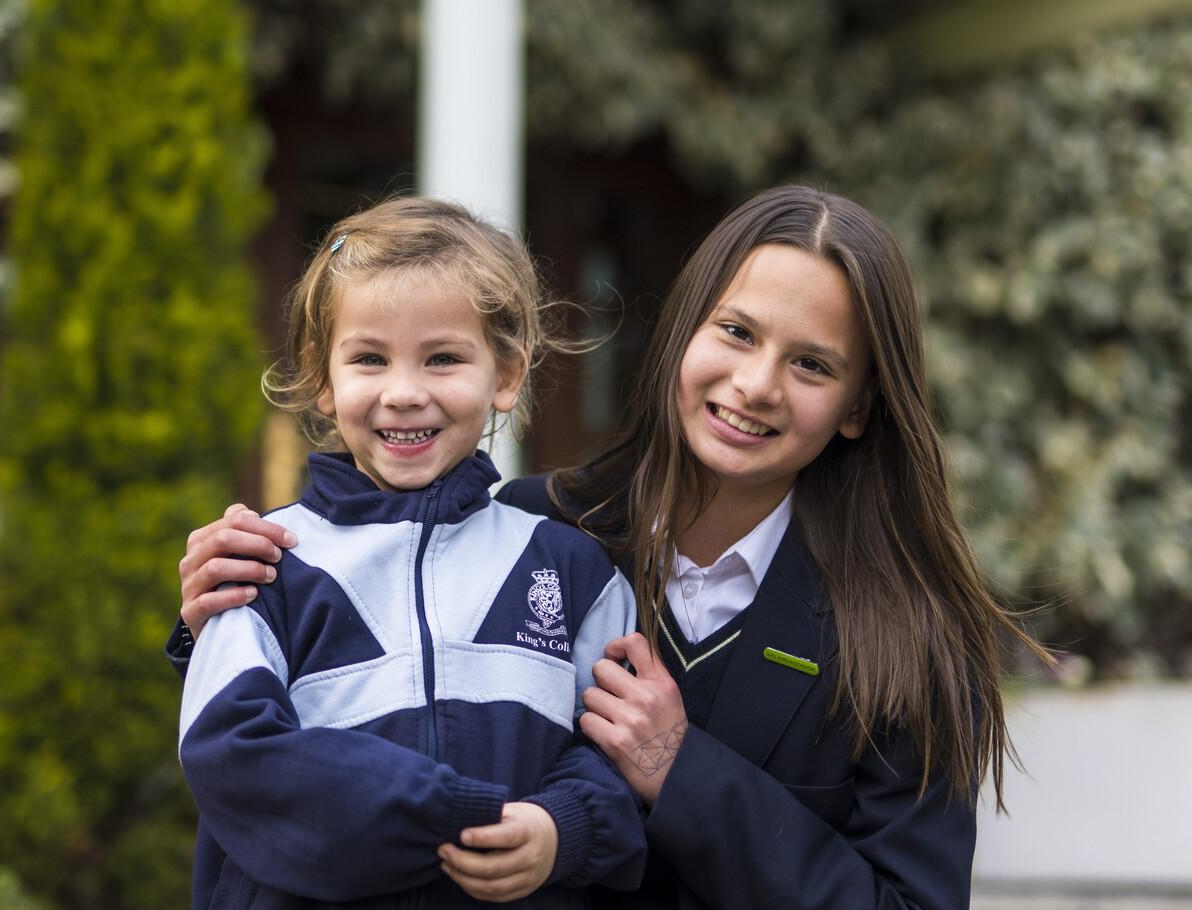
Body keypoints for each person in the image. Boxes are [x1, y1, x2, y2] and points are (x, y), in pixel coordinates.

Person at [173, 185, 1046, 910]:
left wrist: (682, 772)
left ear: (860, 405)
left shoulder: (912, 638)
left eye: (812, 365)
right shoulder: (539, 532)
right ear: (681, 337)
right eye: (735, 332)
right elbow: (360, 680)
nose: (755, 383)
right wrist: (225, 604)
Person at [175, 196, 646, 909]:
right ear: (323, 377)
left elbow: (621, 759)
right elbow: (230, 754)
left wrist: (563, 828)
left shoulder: (571, 571)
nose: (404, 393)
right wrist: (446, 811)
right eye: (369, 358)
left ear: (508, 374)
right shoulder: (266, 561)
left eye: (443, 358)